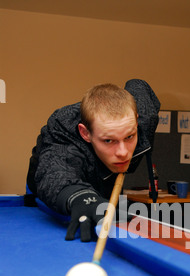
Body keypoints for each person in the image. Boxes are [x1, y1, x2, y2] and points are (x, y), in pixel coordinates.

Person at [27, 79, 160, 242]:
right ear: (85, 133)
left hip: (105, 180)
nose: (123, 152)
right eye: (108, 140)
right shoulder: (64, 131)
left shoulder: (144, 117)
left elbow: (139, 85)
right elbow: (56, 170)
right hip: (48, 184)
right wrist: (81, 196)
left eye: (129, 137)